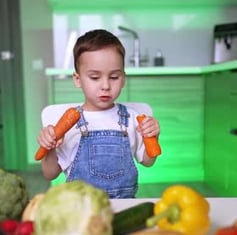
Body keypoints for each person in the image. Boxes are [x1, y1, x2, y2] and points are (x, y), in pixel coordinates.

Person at [37, 29, 161, 198]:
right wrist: (49, 148)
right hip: (80, 208)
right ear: (78, 79)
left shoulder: (131, 118)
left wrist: (152, 137)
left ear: (123, 78)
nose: (105, 86)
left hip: (124, 206)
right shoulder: (68, 125)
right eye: (95, 77)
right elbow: (50, 173)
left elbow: (148, 161)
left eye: (114, 77)